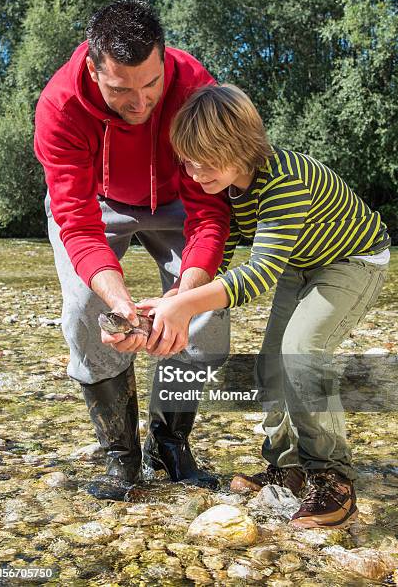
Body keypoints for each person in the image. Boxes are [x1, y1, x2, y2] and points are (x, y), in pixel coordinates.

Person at [139, 83, 390, 529]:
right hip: (303, 260)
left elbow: (258, 274)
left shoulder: (284, 180)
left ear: (240, 146)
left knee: (302, 354)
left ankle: (332, 475)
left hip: (353, 260)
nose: (194, 172)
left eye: (205, 158)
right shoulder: (227, 185)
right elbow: (223, 251)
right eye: (187, 159)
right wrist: (174, 298)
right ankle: (287, 468)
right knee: (271, 364)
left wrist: (187, 307)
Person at [34, 0, 231, 500]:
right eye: (122, 90)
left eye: (151, 85)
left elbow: (210, 211)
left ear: (164, 60)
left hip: (179, 198)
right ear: (93, 67)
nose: (141, 104)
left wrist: (182, 300)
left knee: (208, 317)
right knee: (86, 308)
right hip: (97, 204)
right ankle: (119, 455)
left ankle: (170, 443)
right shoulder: (59, 106)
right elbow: (75, 223)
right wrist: (120, 302)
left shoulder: (194, 88)